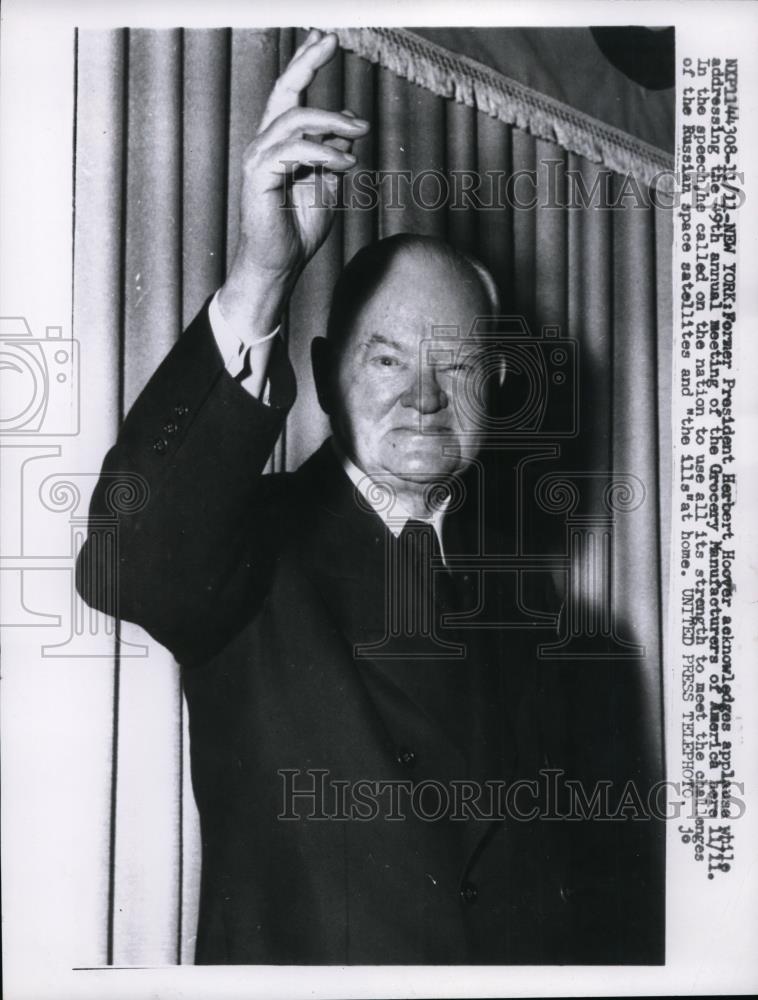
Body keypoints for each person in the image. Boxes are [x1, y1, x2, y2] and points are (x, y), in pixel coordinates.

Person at [77, 30, 663, 965]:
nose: (424, 396)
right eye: (387, 358)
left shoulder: (555, 626)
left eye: (459, 363)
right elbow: (124, 561)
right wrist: (262, 273)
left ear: (499, 387)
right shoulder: (246, 547)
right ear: (322, 372)